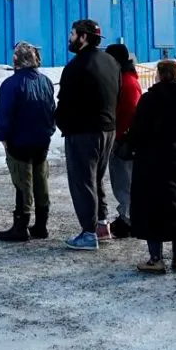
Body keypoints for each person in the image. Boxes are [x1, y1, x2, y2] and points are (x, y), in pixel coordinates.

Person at [122, 60, 176, 273]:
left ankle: (156, 258)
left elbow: (137, 130)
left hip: (151, 159)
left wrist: (131, 143)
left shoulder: (150, 99)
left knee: (151, 206)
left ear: (161, 76)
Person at [55, 19, 120, 251]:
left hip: (83, 131)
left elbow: (65, 103)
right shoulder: (111, 61)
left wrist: (62, 123)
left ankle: (88, 232)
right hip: (108, 129)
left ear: (83, 37)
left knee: (83, 181)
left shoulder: (76, 66)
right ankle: (102, 225)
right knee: (97, 179)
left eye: (73, 34)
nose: (70, 38)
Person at [0, 42, 57, 242]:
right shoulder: (46, 81)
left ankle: (20, 226)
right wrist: (49, 131)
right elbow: (51, 110)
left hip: (19, 142)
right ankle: (41, 225)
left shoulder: (11, 84)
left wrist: (2, 137)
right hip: (42, 140)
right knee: (41, 182)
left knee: (23, 183)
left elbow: (4, 114)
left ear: (16, 61)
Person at [105, 43, 141, 241]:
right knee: (123, 181)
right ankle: (126, 216)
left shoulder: (126, 82)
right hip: (122, 138)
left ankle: (128, 219)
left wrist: (120, 135)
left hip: (123, 140)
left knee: (124, 182)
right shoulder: (126, 79)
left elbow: (128, 112)